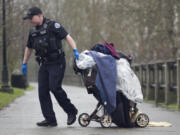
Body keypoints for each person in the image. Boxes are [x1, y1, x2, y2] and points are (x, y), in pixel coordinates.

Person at [22, 7, 79, 127]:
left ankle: (71, 111)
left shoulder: (53, 26)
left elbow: (67, 37)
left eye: (31, 18)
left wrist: (75, 51)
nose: (30, 21)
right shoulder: (32, 32)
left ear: (39, 15)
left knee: (54, 87)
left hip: (57, 61)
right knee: (42, 92)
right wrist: (24, 63)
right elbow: (29, 48)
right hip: (44, 64)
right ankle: (50, 119)